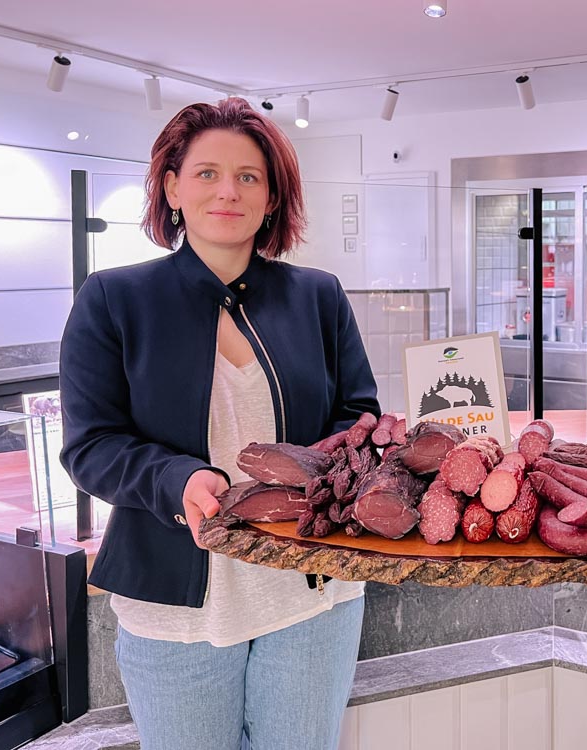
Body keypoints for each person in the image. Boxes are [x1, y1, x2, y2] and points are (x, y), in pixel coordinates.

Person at [60, 97, 380, 750]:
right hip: (177, 608)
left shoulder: (318, 295)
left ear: (272, 199)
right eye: (206, 172)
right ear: (172, 187)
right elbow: (91, 445)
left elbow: (359, 416)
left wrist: (336, 464)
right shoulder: (115, 300)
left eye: (249, 176)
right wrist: (180, 479)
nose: (227, 191)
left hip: (316, 595)